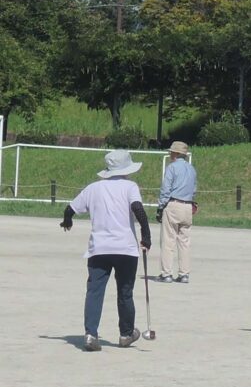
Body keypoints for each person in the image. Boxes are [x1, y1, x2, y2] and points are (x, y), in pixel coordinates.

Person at [59, 150, 152, 352]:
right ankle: (126, 334)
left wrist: (67, 221)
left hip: (99, 248)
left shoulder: (93, 188)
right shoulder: (130, 187)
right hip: (125, 248)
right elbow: (138, 210)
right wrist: (146, 237)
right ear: (126, 169)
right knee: (125, 292)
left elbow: (69, 209)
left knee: (94, 291)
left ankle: (91, 334)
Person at [156, 141, 197, 284]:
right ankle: (184, 274)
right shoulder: (192, 169)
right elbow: (194, 190)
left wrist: (161, 206)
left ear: (176, 154)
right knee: (185, 241)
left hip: (173, 204)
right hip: (187, 206)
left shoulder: (172, 168)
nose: (170, 154)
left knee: (168, 240)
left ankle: (166, 273)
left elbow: (166, 189)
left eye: (172, 152)